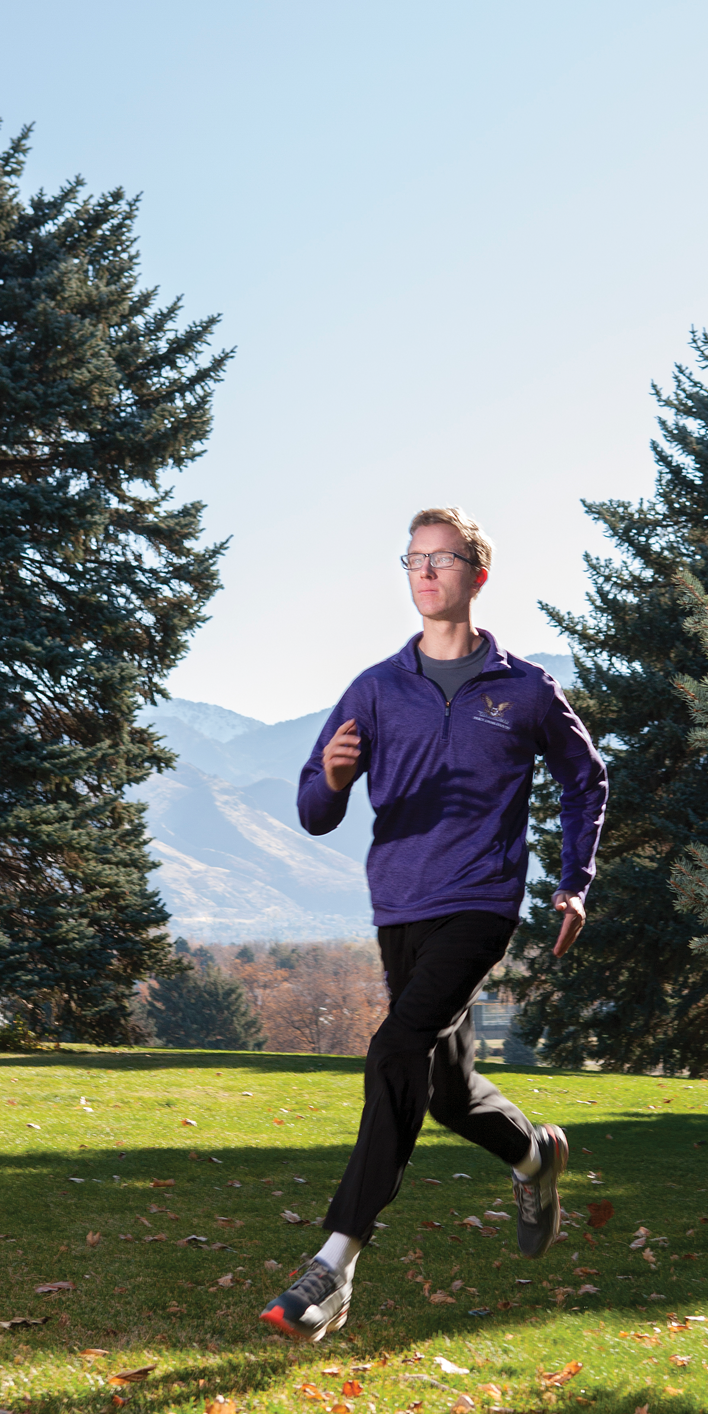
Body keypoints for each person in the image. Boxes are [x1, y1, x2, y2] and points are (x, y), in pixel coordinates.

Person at [260, 506, 607, 1342]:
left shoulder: (524, 689)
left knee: (392, 1048)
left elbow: (586, 779)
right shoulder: (376, 689)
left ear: (477, 575)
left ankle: (334, 1265)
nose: (424, 572)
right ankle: (535, 1155)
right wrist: (336, 778)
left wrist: (573, 883)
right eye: (413, 559)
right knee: (442, 1089)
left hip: (481, 903)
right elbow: (312, 810)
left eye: (442, 559)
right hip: (400, 907)